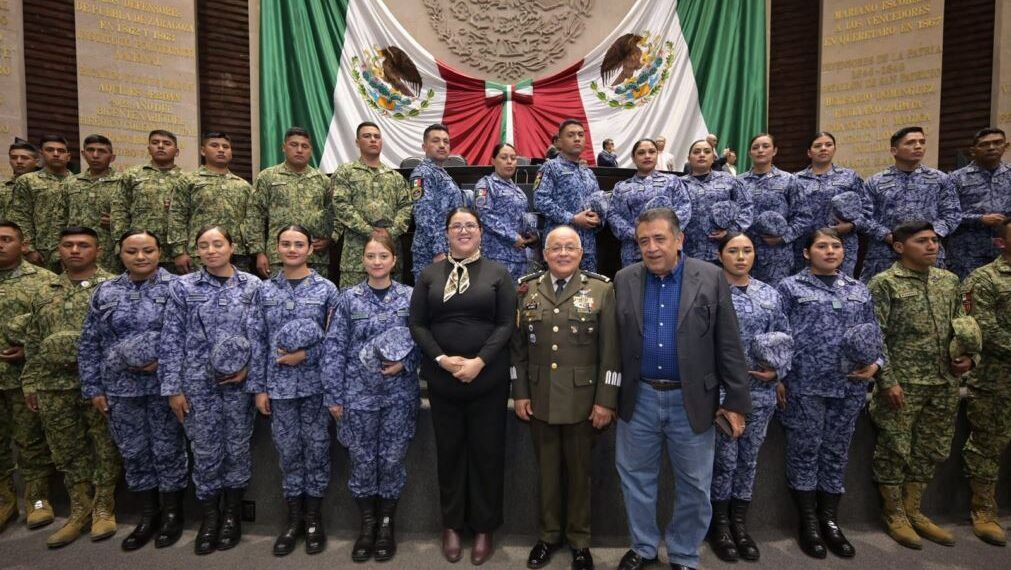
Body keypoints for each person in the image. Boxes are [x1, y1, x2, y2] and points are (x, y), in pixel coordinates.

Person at [613, 208, 749, 570]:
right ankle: (642, 547)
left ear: (679, 239)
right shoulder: (624, 279)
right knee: (636, 480)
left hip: (692, 400)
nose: (652, 247)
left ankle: (684, 553)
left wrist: (736, 400)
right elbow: (613, 346)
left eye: (660, 238)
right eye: (644, 241)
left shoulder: (710, 277)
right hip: (638, 397)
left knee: (694, 485)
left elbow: (730, 343)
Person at [409, 207, 516, 565]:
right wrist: (442, 359)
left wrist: (479, 362)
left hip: (487, 379)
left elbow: (505, 325)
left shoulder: (499, 273)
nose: (464, 230)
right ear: (447, 233)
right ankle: (452, 524)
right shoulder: (428, 275)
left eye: (470, 225)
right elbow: (418, 325)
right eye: (457, 225)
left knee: (487, 454)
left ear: (481, 232)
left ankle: (484, 527)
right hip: (443, 380)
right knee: (450, 454)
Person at [511, 226, 619, 570]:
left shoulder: (602, 290)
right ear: (544, 254)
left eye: (569, 248)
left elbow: (611, 353)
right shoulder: (526, 290)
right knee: (546, 474)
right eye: (555, 248)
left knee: (579, 475)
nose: (562, 253)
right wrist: (521, 394)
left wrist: (606, 400)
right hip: (539, 398)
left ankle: (579, 541)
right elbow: (517, 351)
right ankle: (547, 536)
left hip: (583, 401)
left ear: (581, 253)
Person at [776, 227, 883, 559]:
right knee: (805, 450)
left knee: (836, 452)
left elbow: (876, 334)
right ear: (807, 253)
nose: (831, 251)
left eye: (836, 245)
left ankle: (830, 521)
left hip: (849, 384)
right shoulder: (790, 288)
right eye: (822, 246)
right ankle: (808, 523)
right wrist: (778, 376)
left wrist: (877, 365)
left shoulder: (859, 290)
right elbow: (777, 334)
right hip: (805, 383)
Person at [78, 230, 188, 551]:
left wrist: (166, 363)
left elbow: (189, 335)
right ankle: (147, 516)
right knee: (135, 452)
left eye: (148, 250)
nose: (141, 257)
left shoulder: (177, 289)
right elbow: (90, 342)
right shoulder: (105, 292)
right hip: (120, 388)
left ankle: (172, 516)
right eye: (132, 251)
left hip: (164, 386)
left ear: (159, 252)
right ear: (120, 254)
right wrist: (94, 387)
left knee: (168, 450)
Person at [867, 221, 971, 549]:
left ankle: (914, 508)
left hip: (943, 381)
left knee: (933, 448)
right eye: (922, 241)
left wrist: (967, 358)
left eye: (934, 241)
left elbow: (962, 325)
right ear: (899, 247)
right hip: (903, 383)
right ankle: (894, 512)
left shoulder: (949, 282)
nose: (932, 246)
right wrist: (887, 380)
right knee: (895, 448)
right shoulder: (884, 283)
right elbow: (875, 335)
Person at [160, 225, 261, 555]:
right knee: (204, 451)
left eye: (218, 244)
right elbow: (171, 338)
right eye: (204, 245)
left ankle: (231, 515)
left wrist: (249, 370)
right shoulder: (183, 287)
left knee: (236, 448)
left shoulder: (253, 286)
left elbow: (261, 337)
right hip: (197, 386)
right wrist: (173, 388)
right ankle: (209, 516)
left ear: (232, 248)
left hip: (239, 387)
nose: (211, 250)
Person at [21, 226, 121, 548]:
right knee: (67, 449)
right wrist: (31, 382)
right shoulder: (44, 288)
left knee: (106, 446)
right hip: (54, 385)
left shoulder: (112, 287)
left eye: (83, 245)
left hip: (101, 384)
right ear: (58, 249)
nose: (75, 251)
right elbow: (33, 340)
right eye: (68, 245)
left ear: (99, 250)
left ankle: (104, 506)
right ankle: (80, 509)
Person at [324, 234, 420, 563]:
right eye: (370, 256)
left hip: (398, 396)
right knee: (363, 461)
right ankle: (367, 527)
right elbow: (334, 349)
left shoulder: (410, 297)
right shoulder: (347, 299)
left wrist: (407, 363)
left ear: (394, 261)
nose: (377, 262)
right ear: (362, 260)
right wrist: (334, 396)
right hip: (357, 396)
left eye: (383, 256)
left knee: (392, 461)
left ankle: (387, 526)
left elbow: (424, 344)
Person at [247, 225, 338, 556]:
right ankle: (292, 520)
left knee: (316, 449)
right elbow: (257, 341)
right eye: (286, 244)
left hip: (315, 385)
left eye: (299, 244)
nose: (292, 249)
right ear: (277, 248)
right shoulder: (265, 291)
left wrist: (306, 355)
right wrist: (258, 388)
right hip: (279, 387)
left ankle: (314, 519)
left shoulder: (327, 290)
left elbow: (335, 340)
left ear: (310, 249)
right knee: (288, 453)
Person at [707, 232, 791, 563]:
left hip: (761, 392)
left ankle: (740, 524)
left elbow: (785, 338)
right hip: (723, 393)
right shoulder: (710, 293)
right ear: (719, 255)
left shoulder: (769, 294)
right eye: (733, 251)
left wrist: (779, 372)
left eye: (747, 251)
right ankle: (720, 526)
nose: (741, 257)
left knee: (748, 460)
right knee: (723, 461)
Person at [0, 221, 58, 533]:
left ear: (23, 245)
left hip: (22, 376)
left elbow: (50, 327)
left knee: (30, 440)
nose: (0, 244)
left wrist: (28, 348)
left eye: (7, 239)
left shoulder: (44, 282)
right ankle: (4, 498)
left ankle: (37, 498)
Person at [959, 215, 1011, 547]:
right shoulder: (984, 279)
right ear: (1001, 243)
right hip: (996, 377)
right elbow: (985, 330)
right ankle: (983, 510)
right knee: (987, 446)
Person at [860, 127, 961, 282]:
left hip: (927, 253)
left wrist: (929, 236)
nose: (918, 146)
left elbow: (952, 214)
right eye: (910, 143)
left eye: (922, 142)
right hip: (886, 254)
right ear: (894, 150)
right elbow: (864, 217)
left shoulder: (940, 179)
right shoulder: (875, 182)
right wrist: (887, 236)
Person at [331, 122, 413, 288]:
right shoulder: (346, 172)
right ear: (357, 142)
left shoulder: (395, 177)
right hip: (356, 257)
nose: (373, 140)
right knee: (352, 307)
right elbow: (341, 204)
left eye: (377, 137)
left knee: (392, 307)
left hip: (389, 253)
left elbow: (407, 206)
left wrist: (391, 232)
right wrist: (370, 231)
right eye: (367, 136)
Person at [170, 131, 262, 275]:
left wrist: (255, 252)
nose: (221, 149)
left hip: (237, 255)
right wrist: (179, 251)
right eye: (214, 145)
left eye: (225, 147)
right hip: (200, 254)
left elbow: (253, 221)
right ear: (202, 151)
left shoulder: (243, 185)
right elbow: (177, 216)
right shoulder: (189, 181)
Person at [253, 127, 332, 278]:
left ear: (311, 150)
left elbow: (334, 214)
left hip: (315, 258)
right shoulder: (268, 177)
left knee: (314, 300)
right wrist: (259, 253)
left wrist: (329, 239)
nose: (299, 150)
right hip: (278, 257)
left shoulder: (323, 181)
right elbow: (255, 215)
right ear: (284, 147)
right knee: (279, 300)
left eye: (305, 146)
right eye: (294, 145)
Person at [607, 139, 692, 267]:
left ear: (657, 155)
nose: (647, 156)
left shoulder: (672, 181)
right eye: (641, 153)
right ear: (634, 158)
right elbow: (613, 215)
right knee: (635, 284)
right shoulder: (622, 187)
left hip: (666, 247)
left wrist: (665, 231)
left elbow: (684, 207)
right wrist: (635, 233)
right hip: (634, 251)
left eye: (652, 152)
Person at [740, 133, 812, 285]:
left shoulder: (789, 180)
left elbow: (803, 216)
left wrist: (783, 238)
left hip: (777, 254)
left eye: (765, 146)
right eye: (755, 147)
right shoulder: (738, 182)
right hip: (743, 253)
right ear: (749, 153)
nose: (760, 150)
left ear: (774, 151)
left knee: (776, 298)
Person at [794, 132, 868, 277]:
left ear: (834, 149)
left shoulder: (849, 176)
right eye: (818, 146)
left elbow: (868, 209)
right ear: (809, 152)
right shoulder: (795, 180)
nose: (823, 148)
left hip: (842, 243)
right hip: (806, 244)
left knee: (842, 287)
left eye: (828, 145)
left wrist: (852, 225)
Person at [112, 130, 188, 271]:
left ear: (176, 152)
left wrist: (182, 250)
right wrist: (121, 245)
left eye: (166, 143)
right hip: (138, 250)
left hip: (174, 252)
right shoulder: (132, 175)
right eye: (155, 143)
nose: (160, 146)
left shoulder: (187, 179)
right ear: (148, 149)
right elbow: (119, 211)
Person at [534, 119, 603, 272]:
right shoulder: (550, 167)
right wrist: (572, 218)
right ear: (559, 142)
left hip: (587, 246)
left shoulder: (588, 172)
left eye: (580, 135)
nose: (577, 138)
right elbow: (540, 201)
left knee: (587, 289)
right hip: (561, 245)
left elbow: (598, 203)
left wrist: (598, 219)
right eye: (571, 135)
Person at [947, 127, 1011, 279]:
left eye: (997, 143)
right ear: (973, 150)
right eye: (984, 144)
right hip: (967, 253)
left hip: (1005, 251)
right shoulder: (956, 178)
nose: (991, 148)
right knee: (968, 299)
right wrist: (980, 219)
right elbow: (947, 215)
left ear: (1006, 146)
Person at [680, 139, 752, 263]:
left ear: (713, 157)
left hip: (722, 252)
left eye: (707, 152)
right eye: (696, 152)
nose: (702, 155)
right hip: (688, 254)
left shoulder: (728, 180)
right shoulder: (679, 184)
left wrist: (731, 231)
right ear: (689, 158)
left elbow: (746, 208)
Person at [409, 124, 465, 282]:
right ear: (424, 147)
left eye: (446, 142)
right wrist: (438, 250)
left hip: (450, 249)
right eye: (436, 141)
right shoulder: (422, 173)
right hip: (432, 254)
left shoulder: (441, 173)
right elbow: (424, 215)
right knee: (431, 301)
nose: (442, 145)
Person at [474, 142, 537, 281]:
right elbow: (484, 216)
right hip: (497, 257)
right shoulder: (486, 185)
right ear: (493, 161)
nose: (509, 162)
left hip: (520, 257)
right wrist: (513, 237)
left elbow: (524, 218)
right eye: (504, 157)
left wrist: (531, 235)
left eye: (513, 158)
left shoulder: (517, 189)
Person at [9, 135, 73, 271]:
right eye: (50, 150)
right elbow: (20, 217)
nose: (56, 154)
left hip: (73, 251)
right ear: (41, 154)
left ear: (68, 156)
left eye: (61, 151)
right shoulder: (28, 181)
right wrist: (29, 250)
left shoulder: (79, 182)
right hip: (40, 254)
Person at [64, 135, 121, 272]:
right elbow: (59, 218)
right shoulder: (70, 183)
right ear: (83, 154)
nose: (95, 155)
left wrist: (117, 222)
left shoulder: (123, 182)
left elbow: (135, 216)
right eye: (91, 150)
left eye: (102, 151)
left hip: (111, 255)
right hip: (76, 252)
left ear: (112, 157)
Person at [2, 139, 40, 218]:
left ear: (36, 162)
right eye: (14, 158)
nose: (19, 161)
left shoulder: (46, 186)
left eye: (25, 158)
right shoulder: (2, 186)